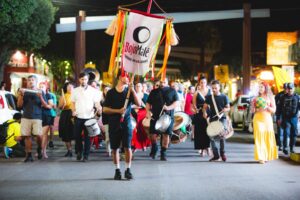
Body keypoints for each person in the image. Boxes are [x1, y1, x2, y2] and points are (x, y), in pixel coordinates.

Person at [103, 72, 141, 180]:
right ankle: (117, 170)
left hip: (126, 123)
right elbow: (105, 109)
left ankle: (128, 170)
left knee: (127, 147)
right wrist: (118, 111)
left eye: (129, 77)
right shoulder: (110, 92)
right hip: (114, 123)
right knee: (115, 148)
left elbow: (139, 104)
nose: (128, 78)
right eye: (126, 76)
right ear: (120, 77)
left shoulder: (129, 91)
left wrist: (133, 90)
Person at [17, 75, 50, 162]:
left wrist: (40, 97)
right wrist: (21, 95)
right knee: (27, 137)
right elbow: (19, 105)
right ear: (27, 82)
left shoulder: (40, 92)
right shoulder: (24, 91)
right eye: (29, 80)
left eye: (33, 80)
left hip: (37, 117)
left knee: (39, 136)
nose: (31, 82)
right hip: (26, 117)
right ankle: (29, 155)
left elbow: (45, 105)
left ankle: (39, 148)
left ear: (36, 82)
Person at [71, 72, 101, 162]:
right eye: (82, 79)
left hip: (89, 117)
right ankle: (79, 152)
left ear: (88, 80)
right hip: (78, 117)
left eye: (85, 79)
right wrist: (73, 111)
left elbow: (96, 102)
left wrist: (98, 108)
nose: (84, 81)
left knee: (88, 137)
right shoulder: (75, 90)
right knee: (77, 136)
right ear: (79, 80)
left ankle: (86, 155)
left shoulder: (93, 91)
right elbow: (73, 102)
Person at [146, 78, 179, 161]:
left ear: (167, 82)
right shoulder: (154, 92)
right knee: (152, 135)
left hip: (168, 116)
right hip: (155, 116)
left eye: (164, 82)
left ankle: (163, 153)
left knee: (166, 135)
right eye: (161, 82)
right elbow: (148, 103)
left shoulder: (172, 91)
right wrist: (148, 111)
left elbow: (176, 103)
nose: (162, 83)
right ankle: (154, 147)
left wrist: (168, 107)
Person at [203, 80, 230, 162]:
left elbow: (228, 107)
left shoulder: (224, 97)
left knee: (222, 136)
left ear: (219, 88)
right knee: (211, 137)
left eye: (216, 88)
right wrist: (204, 113)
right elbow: (204, 107)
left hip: (222, 118)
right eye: (213, 88)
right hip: (212, 118)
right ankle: (216, 155)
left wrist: (226, 109)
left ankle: (222, 153)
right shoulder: (209, 97)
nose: (214, 89)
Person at [251, 82, 278, 164]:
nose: (260, 89)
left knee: (266, 137)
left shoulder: (270, 97)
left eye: (262, 87)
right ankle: (261, 157)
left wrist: (266, 107)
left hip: (267, 119)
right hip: (258, 119)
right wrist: (256, 108)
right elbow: (252, 111)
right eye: (259, 87)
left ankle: (266, 156)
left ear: (266, 88)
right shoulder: (255, 98)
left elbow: (274, 110)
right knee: (259, 137)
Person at [277, 82, 299, 155]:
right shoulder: (282, 97)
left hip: (294, 118)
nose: (290, 90)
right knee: (286, 132)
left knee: (294, 133)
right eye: (288, 89)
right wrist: (278, 118)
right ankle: (285, 147)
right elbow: (279, 108)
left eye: (291, 88)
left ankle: (292, 148)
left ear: (294, 89)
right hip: (285, 117)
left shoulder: (297, 97)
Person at [193, 77, 211, 156]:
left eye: (204, 82)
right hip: (200, 113)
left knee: (209, 131)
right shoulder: (197, 92)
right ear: (199, 83)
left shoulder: (210, 91)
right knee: (200, 131)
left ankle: (208, 148)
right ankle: (202, 149)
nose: (203, 84)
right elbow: (193, 103)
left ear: (206, 83)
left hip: (209, 113)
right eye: (201, 82)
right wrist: (195, 109)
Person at [58, 82, 75, 157]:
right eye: (68, 87)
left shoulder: (76, 95)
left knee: (76, 132)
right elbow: (60, 107)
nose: (70, 88)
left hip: (75, 114)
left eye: (72, 87)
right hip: (65, 114)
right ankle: (69, 150)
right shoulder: (64, 96)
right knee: (66, 133)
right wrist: (63, 103)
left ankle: (78, 149)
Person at [39, 82, 54, 159]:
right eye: (40, 87)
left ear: (45, 88)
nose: (41, 88)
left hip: (46, 116)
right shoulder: (36, 95)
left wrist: (44, 104)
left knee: (44, 134)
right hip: (37, 116)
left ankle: (43, 151)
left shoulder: (48, 95)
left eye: (42, 87)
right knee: (38, 135)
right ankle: (39, 149)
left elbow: (50, 106)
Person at [275, 83, 288, 151]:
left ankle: (285, 146)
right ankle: (280, 145)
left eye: (287, 88)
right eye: (285, 88)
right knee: (280, 130)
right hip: (280, 115)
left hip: (287, 115)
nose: (286, 89)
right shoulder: (279, 95)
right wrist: (278, 116)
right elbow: (276, 106)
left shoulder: (290, 95)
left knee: (287, 131)